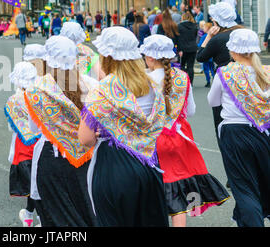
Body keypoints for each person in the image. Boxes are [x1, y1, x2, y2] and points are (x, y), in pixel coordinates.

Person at [78, 27, 169, 227]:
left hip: (113, 165)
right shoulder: (152, 84)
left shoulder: (103, 90)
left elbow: (85, 138)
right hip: (149, 163)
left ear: (107, 56)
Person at [140, 35, 230, 227]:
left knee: (152, 190)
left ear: (150, 57)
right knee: (178, 187)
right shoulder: (182, 77)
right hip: (179, 136)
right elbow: (190, 111)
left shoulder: (143, 79)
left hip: (152, 139)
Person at [25, 36, 98, 227]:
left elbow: (33, 128)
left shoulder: (37, 88)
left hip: (52, 156)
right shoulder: (91, 84)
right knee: (88, 212)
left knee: (55, 218)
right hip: (88, 155)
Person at [207, 29, 269, 227]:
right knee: (263, 179)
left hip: (233, 133)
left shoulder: (226, 73)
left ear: (233, 51)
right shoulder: (265, 73)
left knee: (244, 187)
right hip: (262, 132)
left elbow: (212, 101)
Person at [196, 1, 244, 144]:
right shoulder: (242, 32)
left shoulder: (218, 39)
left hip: (224, 79)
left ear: (218, 20)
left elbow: (201, 56)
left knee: (221, 114)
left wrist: (209, 37)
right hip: (245, 76)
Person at [5, 61, 41, 227]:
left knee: (30, 185)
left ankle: (30, 215)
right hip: (42, 143)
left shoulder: (13, 100)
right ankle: (31, 214)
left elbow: (11, 126)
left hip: (23, 146)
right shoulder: (41, 95)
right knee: (40, 183)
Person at [177, 12, 199, 84]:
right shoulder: (195, 26)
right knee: (190, 66)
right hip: (193, 48)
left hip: (183, 49)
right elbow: (195, 37)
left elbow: (178, 39)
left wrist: (179, 49)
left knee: (182, 65)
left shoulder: (179, 26)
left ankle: (184, 82)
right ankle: (191, 83)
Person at [198, 22, 215, 87]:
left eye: (204, 27)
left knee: (206, 69)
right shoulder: (213, 36)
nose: (203, 29)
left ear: (207, 28)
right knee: (212, 68)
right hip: (212, 55)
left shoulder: (204, 36)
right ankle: (214, 79)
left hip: (205, 54)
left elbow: (200, 45)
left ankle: (208, 81)